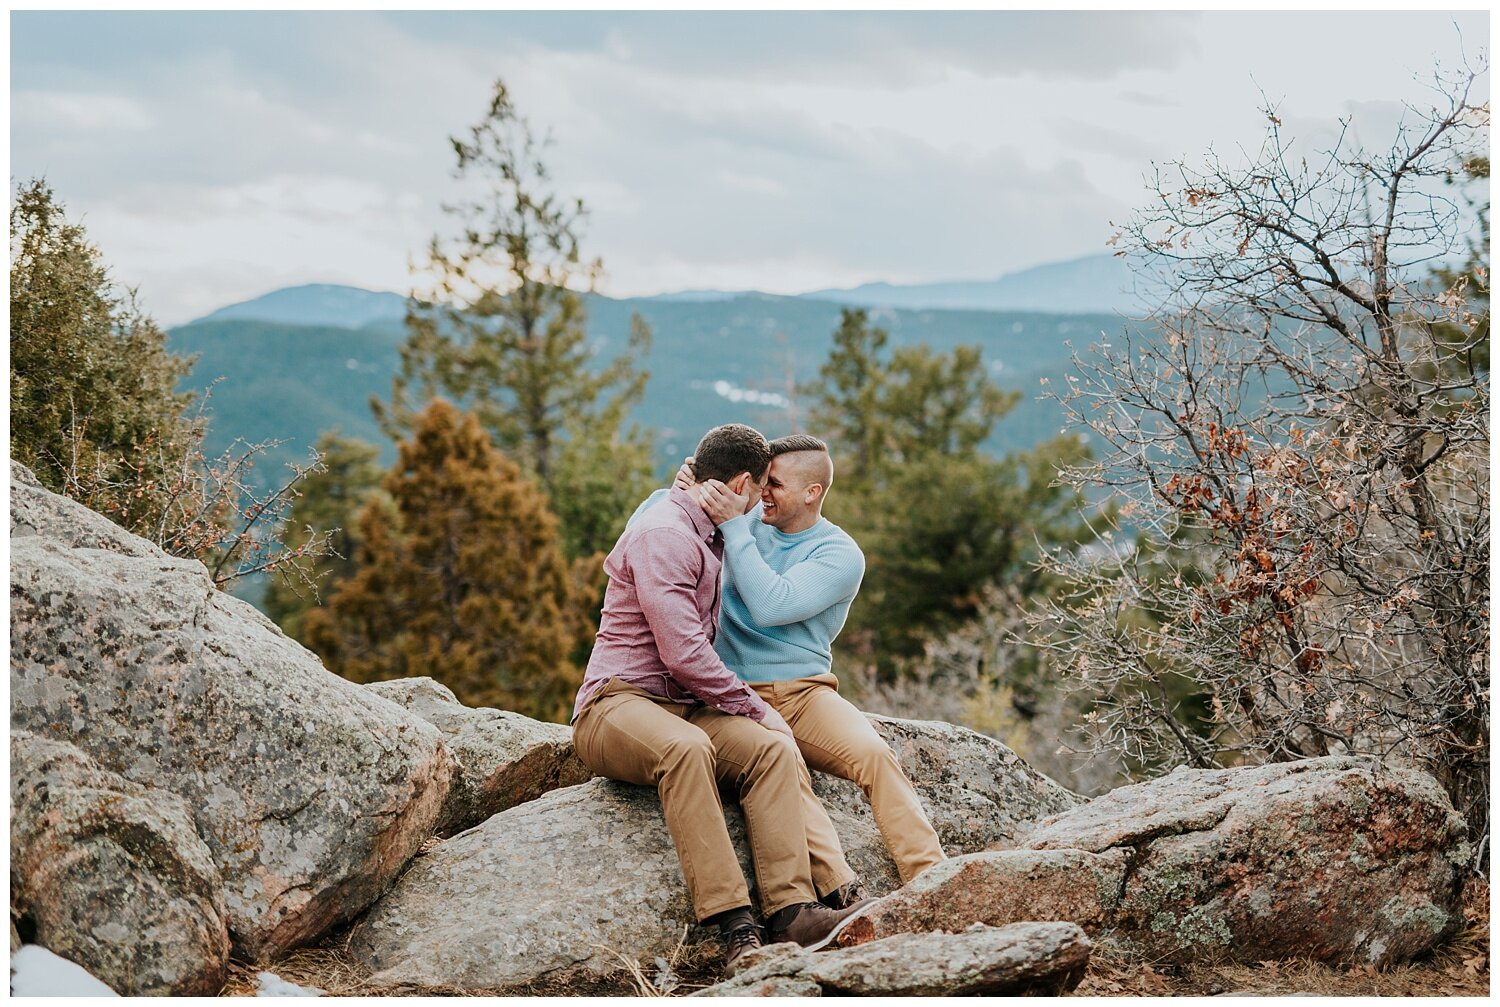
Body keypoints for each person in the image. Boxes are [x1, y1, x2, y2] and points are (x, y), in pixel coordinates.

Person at [570, 424, 872, 975]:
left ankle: (791, 912)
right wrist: (757, 706)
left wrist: (764, 723)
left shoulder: (708, 525)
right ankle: (736, 927)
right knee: (687, 750)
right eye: (761, 489)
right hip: (616, 705)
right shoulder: (666, 534)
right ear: (739, 483)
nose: (762, 503)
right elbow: (683, 653)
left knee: (770, 750)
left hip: (682, 705)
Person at [675, 434, 947, 889]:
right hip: (732, 695)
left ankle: (933, 879)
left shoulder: (839, 554)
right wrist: (690, 492)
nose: (763, 492)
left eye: (775, 484)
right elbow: (668, 542)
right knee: (786, 769)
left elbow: (772, 606)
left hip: (804, 693)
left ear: (812, 492)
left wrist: (734, 527)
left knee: (875, 756)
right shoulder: (745, 521)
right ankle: (843, 892)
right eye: (762, 481)